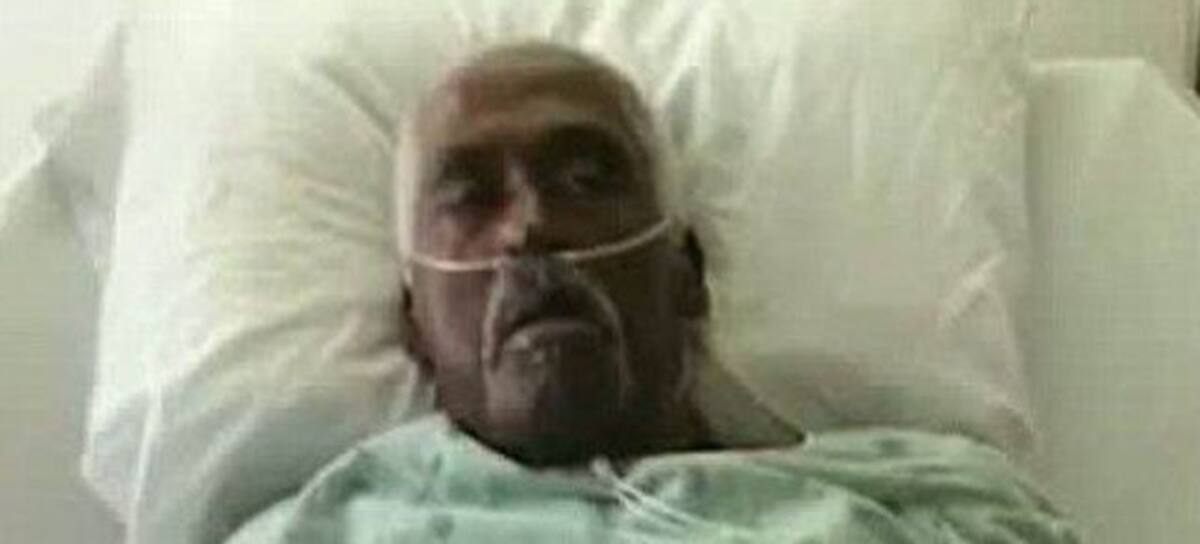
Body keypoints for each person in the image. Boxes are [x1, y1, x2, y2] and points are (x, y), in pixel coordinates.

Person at [228, 42, 1077, 543]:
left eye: (587, 178)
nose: (530, 229)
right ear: (414, 323)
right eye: (470, 197)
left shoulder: (937, 511)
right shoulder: (321, 531)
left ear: (686, 277)